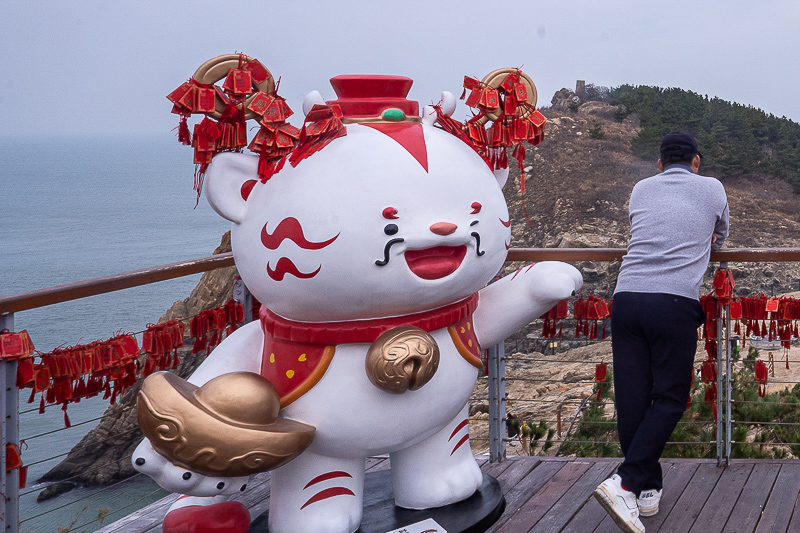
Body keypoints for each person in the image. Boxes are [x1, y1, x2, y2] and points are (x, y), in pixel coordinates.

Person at [593, 131, 729, 533]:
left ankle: (644, 489)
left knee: (633, 398)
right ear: (696, 162)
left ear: (658, 164)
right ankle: (625, 482)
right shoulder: (712, 188)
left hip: (628, 298)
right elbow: (722, 235)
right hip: (672, 304)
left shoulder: (640, 189)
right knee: (670, 398)